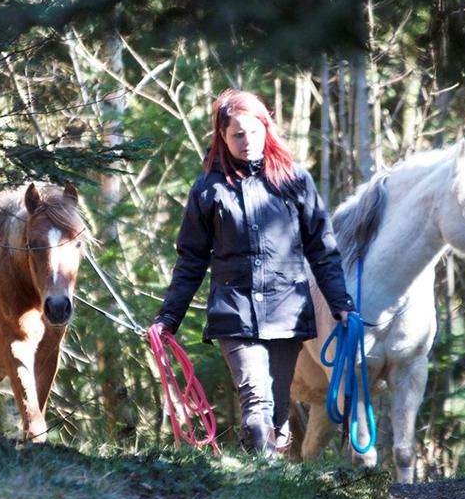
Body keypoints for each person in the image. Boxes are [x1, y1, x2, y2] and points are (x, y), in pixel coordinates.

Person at [149, 88, 355, 457]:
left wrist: (340, 303)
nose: (246, 142)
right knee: (254, 404)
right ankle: (261, 479)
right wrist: (169, 317)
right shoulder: (208, 190)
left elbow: (322, 251)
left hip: (287, 313)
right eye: (237, 135)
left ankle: (270, 482)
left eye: (253, 132)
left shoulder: (295, 182)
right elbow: (191, 260)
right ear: (222, 137)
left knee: (276, 412)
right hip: (234, 312)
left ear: (266, 129)